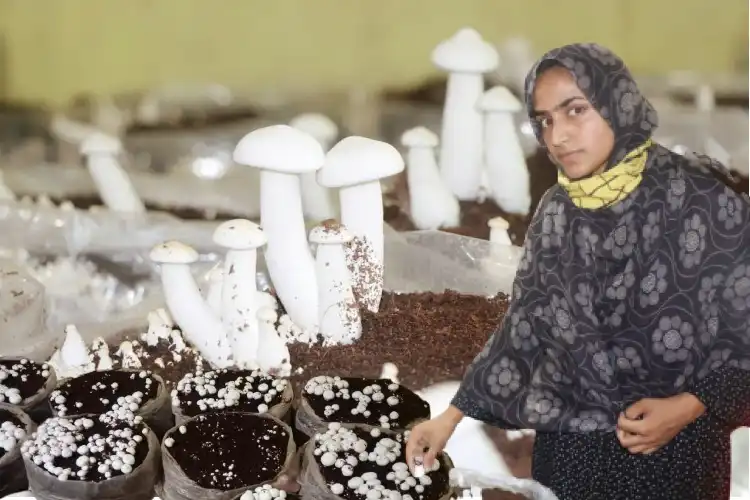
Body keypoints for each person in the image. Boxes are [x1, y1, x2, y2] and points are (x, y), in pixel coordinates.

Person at [406, 42, 750, 500]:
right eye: (545, 120)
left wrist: (688, 408)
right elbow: (525, 324)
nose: (557, 136)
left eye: (575, 111)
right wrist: (449, 419)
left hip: (678, 456)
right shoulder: (557, 211)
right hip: (570, 454)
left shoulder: (706, 202)